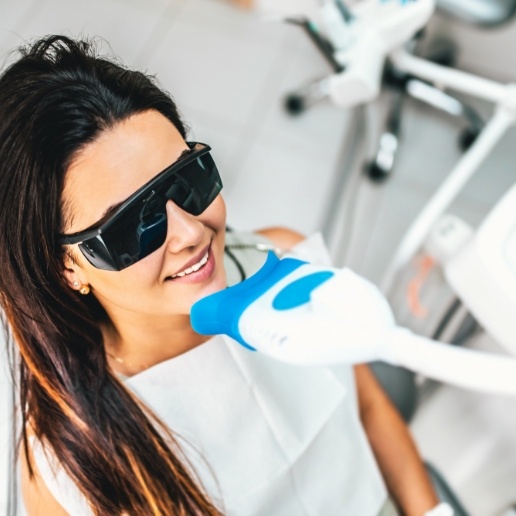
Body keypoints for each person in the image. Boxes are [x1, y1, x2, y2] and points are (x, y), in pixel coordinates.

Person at [0, 35, 442, 515]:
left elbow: (370, 409)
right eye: (132, 224)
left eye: (187, 179)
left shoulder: (283, 258)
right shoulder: (70, 467)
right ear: (66, 266)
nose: (192, 232)